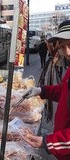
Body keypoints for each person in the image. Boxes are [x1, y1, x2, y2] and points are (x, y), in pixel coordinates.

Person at [22, 20, 70, 160]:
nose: (67, 52)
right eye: (62, 46)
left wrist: (47, 142)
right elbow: (64, 91)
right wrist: (41, 91)